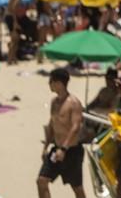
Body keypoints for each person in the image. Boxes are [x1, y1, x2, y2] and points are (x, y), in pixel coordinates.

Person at [38, 68, 86, 198]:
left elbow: (75, 127)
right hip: (56, 149)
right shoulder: (54, 102)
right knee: (42, 180)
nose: (49, 84)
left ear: (59, 83)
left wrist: (64, 149)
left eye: (51, 81)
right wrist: (45, 147)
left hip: (71, 151)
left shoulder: (74, 103)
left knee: (77, 188)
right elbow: (52, 125)